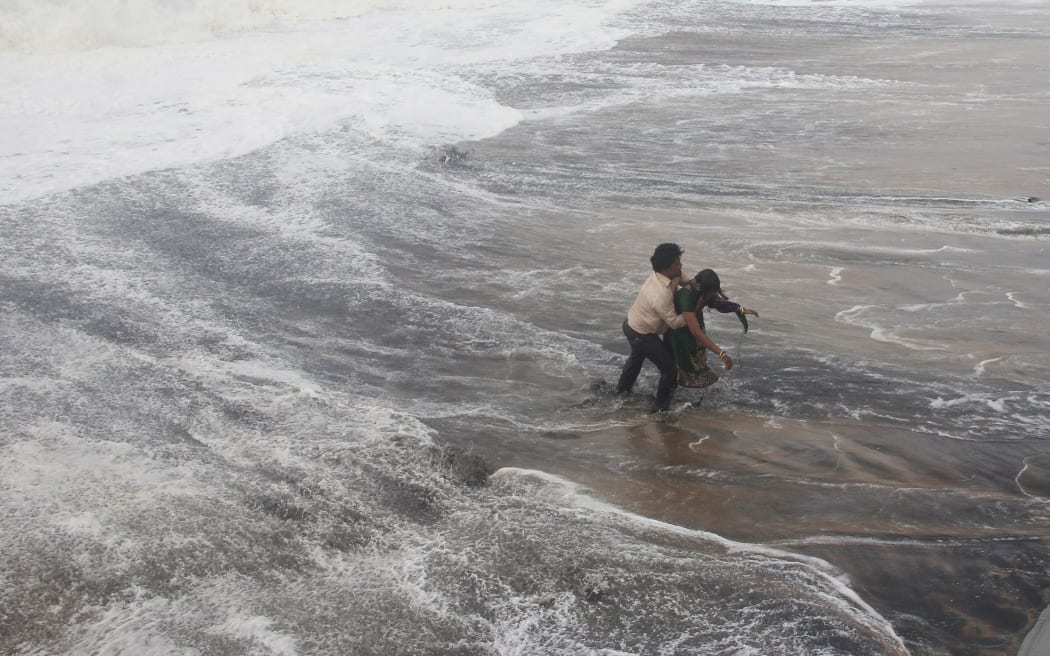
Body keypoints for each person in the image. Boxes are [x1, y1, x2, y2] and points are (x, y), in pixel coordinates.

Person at [615, 243, 688, 412]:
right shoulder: (660, 294)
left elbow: (682, 276)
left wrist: (690, 283)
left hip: (632, 323)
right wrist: (693, 310)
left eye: (679, 261)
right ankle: (661, 408)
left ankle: (621, 392)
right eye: (677, 263)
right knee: (670, 369)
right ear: (666, 268)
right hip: (641, 333)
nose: (681, 265)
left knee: (636, 358)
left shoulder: (667, 274)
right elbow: (675, 323)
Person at [668, 268, 759, 388]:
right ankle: (666, 395)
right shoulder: (686, 298)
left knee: (697, 360)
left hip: (695, 324)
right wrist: (721, 354)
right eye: (710, 292)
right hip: (681, 331)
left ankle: (676, 390)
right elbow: (696, 333)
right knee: (681, 364)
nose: (713, 295)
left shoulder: (704, 290)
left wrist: (740, 309)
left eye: (714, 292)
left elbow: (718, 302)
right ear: (700, 287)